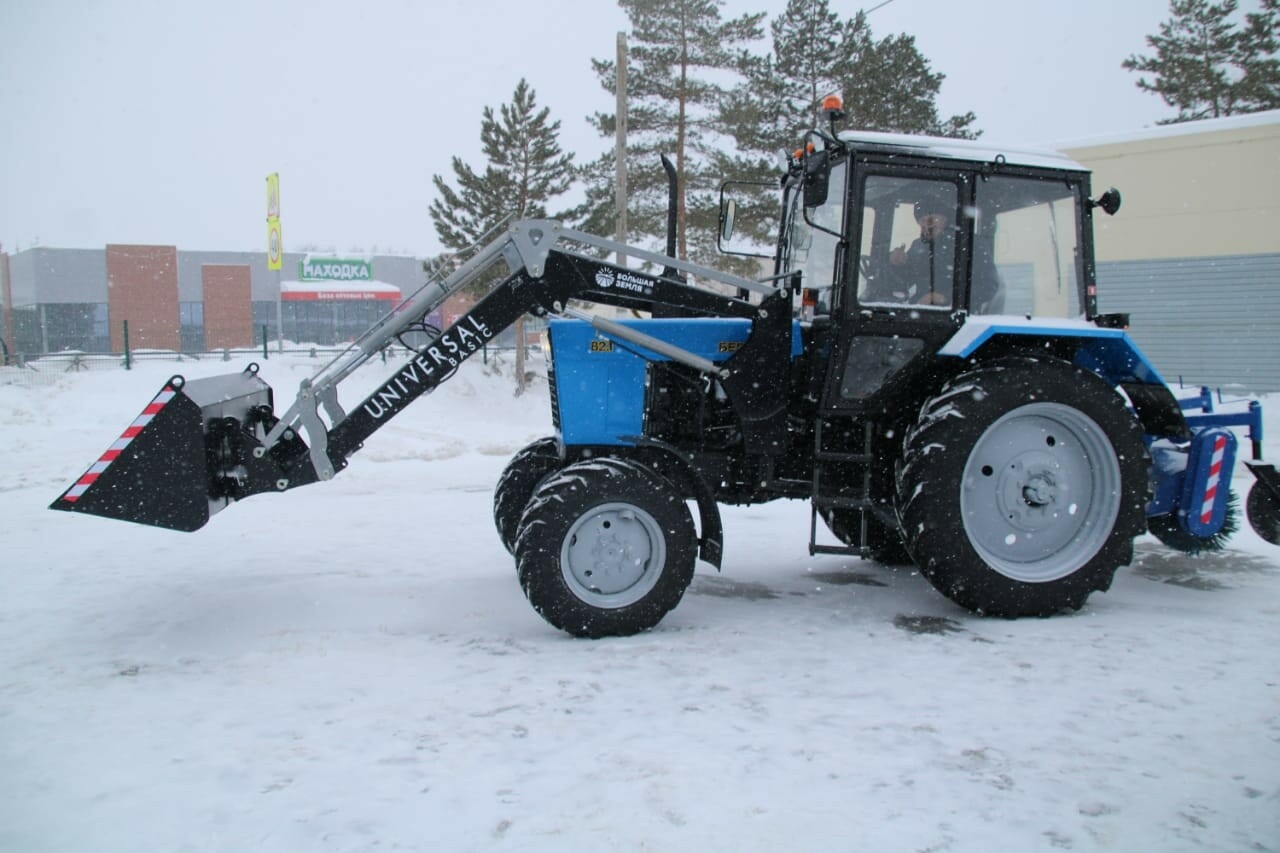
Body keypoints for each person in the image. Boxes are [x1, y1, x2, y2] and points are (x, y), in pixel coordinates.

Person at [886, 196, 954, 306]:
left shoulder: (969, 244)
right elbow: (906, 279)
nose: (927, 224)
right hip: (921, 311)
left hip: (958, 316)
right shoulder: (919, 245)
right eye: (922, 220)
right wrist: (897, 263)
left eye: (932, 219)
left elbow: (987, 287)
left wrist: (944, 297)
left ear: (945, 219)